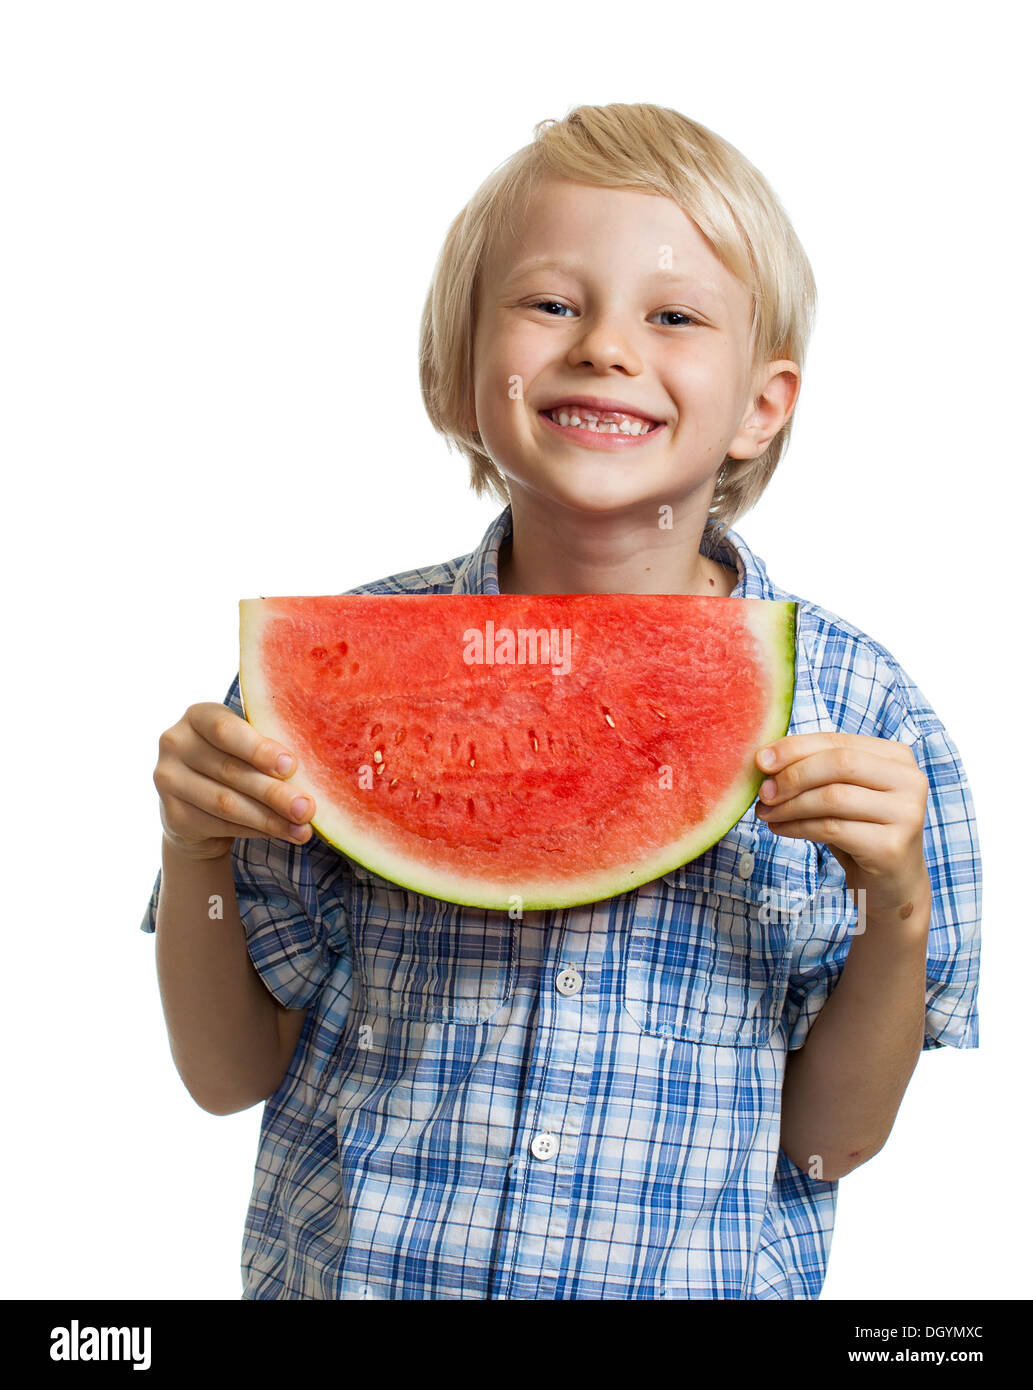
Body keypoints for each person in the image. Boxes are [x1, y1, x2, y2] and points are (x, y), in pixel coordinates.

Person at [140, 103, 981, 1300]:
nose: (605, 347)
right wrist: (195, 852)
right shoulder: (334, 671)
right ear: (456, 367)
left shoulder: (859, 708)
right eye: (550, 302)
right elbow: (227, 1076)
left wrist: (896, 906)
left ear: (761, 404)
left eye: (675, 315)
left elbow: (826, 1142)